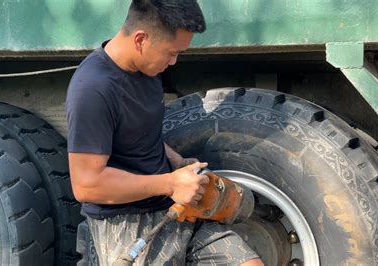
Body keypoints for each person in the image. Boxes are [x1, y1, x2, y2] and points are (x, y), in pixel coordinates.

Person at [66, 0, 263, 265]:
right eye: (171, 52)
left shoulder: (146, 69)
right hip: (125, 223)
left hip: (175, 209)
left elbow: (140, 133)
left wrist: (177, 161)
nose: (173, 62)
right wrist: (170, 183)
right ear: (140, 39)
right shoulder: (93, 88)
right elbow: (87, 184)